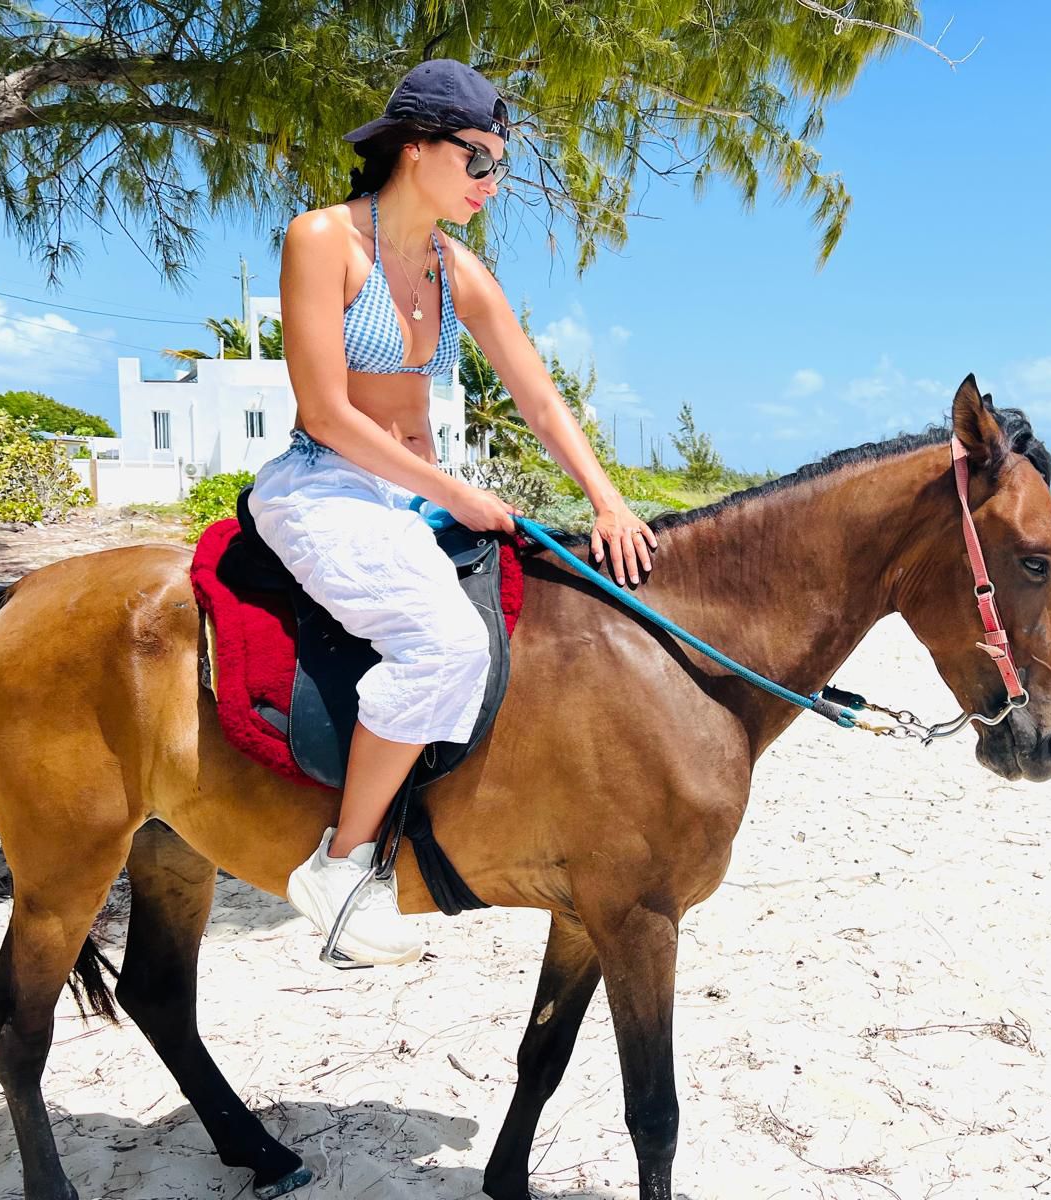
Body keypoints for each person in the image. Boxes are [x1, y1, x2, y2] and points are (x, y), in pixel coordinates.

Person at [253, 59, 659, 966]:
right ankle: (341, 863)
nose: (491, 183)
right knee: (445, 643)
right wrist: (459, 494)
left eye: (499, 166)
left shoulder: (454, 268)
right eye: (477, 160)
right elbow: (325, 413)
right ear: (414, 147)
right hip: (324, 487)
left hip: (410, 499)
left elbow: (540, 399)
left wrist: (608, 500)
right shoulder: (321, 240)